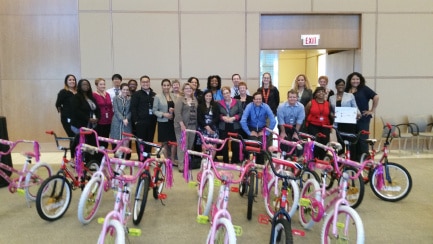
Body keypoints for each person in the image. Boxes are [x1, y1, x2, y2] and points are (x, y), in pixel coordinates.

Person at [345, 72, 379, 161]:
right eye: (353, 79)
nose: (355, 81)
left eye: (357, 79)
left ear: (360, 80)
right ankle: (353, 160)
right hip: (350, 119)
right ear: (350, 80)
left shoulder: (364, 89)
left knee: (362, 140)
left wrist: (372, 110)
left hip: (363, 119)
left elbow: (376, 97)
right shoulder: (347, 90)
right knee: (352, 140)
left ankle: (364, 160)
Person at [240, 92, 276, 164]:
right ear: (253, 100)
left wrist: (266, 132)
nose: (258, 101)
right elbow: (242, 121)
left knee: (263, 143)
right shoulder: (249, 106)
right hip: (252, 128)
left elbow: (273, 121)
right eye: (256, 99)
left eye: (260, 99)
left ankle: (260, 163)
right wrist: (249, 132)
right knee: (254, 143)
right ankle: (252, 162)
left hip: (262, 128)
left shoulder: (266, 106)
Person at [70, 79, 100, 164]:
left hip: (91, 125)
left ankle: (88, 161)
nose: (85, 86)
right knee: (78, 142)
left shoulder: (91, 97)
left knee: (89, 144)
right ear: (79, 86)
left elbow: (97, 109)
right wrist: (88, 118)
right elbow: (76, 111)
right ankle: (74, 159)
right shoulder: (76, 97)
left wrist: (98, 118)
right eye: (83, 84)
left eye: (87, 84)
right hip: (79, 124)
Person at [329, 79, 361, 157]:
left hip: (349, 122)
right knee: (340, 143)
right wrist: (332, 115)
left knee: (351, 143)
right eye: (339, 85)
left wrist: (358, 114)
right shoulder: (331, 98)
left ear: (344, 86)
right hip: (338, 123)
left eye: (342, 85)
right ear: (336, 86)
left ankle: (352, 162)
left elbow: (355, 107)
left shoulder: (350, 95)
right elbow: (330, 110)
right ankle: (340, 162)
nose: (341, 86)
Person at [130, 75, 157, 160]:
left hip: (152, 122)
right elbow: (133, 108)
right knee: (141, 142)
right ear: (141, 83)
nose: (145, 83)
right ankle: (141, 159)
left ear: (149, 82)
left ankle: (147, 159)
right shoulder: (136, 94)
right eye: (143, 82)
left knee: (149, 141)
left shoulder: (154, 95)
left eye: (147, 82)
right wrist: (136, 121)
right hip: (140, 123)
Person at [174, 83, 198, 173]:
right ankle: (181, 165)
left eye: (190, 88)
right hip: (181, 126)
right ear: (183, 90)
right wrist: (182, 125)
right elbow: (177, 113)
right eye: (186, 88)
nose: (188, 90)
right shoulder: (180, 99)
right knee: (182, 146)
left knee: (189, 145)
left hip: (192, 125)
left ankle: (186, 163)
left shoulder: (194, 99)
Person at [305, 87, 334, 159]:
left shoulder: (328, 104)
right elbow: (306, 113)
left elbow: (330, 116)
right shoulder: (311, 103)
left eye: (322, 92)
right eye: (319, 92)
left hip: (325, 126)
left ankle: (322, 159)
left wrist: (331, 126)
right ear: (315, 94)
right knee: (315, 143)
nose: (321, 93)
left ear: (325, 93)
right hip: (313, 126)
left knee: (324, 143)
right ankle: (314, 159)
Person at [153, 79, 177, 165]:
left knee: (174, 141)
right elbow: (154, 110)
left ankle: (173, 159)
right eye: (164, 85)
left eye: (168, 85)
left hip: (173, 122)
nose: (166, 87)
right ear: (162, 86)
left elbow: (178, 108)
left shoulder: (174, 96)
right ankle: (167, 159)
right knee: (165, 141)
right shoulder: (157, 96)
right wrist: (164, 114)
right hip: (163, 121)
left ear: (170, 86)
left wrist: (174, 110)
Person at [217, 87, 243, 164]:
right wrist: (222, 117)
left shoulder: (237, 101)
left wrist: (234, 118)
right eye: (224, 93)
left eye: (227, 93)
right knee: (224, 144)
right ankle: (225, 161)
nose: (226, 95)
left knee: (235, 144)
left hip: (235, 125)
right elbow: (217, 114)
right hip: (223, 126)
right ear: (222, 95)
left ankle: (235, 160)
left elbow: (241, 113)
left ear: (230, 93)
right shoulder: (219, 103)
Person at [277, 89, 305, 156]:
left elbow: (300, 121)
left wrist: (296, 133)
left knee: (297, 141)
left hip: (296, 126)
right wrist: (283, 132)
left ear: (297, 98)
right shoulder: (281, 107)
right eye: (290, 97)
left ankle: (296, 158)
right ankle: (284, 157)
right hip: (284, 126)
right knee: (284, 142)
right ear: (287, 98)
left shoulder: (301, 107)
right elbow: (281, 120)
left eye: (294, 97)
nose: (292, 99)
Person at [110, 83, 132, 159]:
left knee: (126, 141)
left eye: (127, 90)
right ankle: (117, 159)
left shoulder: (130, 99)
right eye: (124, 89)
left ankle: (124, 159)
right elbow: (116, 110)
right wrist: (123, 119)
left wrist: (126, 119)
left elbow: (130, 111)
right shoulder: (116, 98)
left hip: (127, 122)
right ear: (121, 90)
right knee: (117, 141)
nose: (125, 91)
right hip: (117, 122)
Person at [197, 90, 220, 160]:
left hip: (213, 128)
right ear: (204, 96)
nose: (208, 97)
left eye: (210, 96)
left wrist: (210, 127)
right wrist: (206, 126)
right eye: (207, 96)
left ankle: (211, 162)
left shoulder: (215, 105)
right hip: (203, 128)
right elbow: (199, 118)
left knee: (213, 146)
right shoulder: (200, 106)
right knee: (204, 146)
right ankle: (205, 162)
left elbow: (217, 117)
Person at [93, 78, 114, 149]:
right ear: (96, 85)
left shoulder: (107, 94)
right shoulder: (94, 94)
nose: (103, 86)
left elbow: (111, 107)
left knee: (106, 139)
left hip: (109, 120)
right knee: (100, 139)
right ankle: (99, 156)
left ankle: (104, 156)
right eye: (101, 84)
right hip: (100, 121)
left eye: (104, 84)